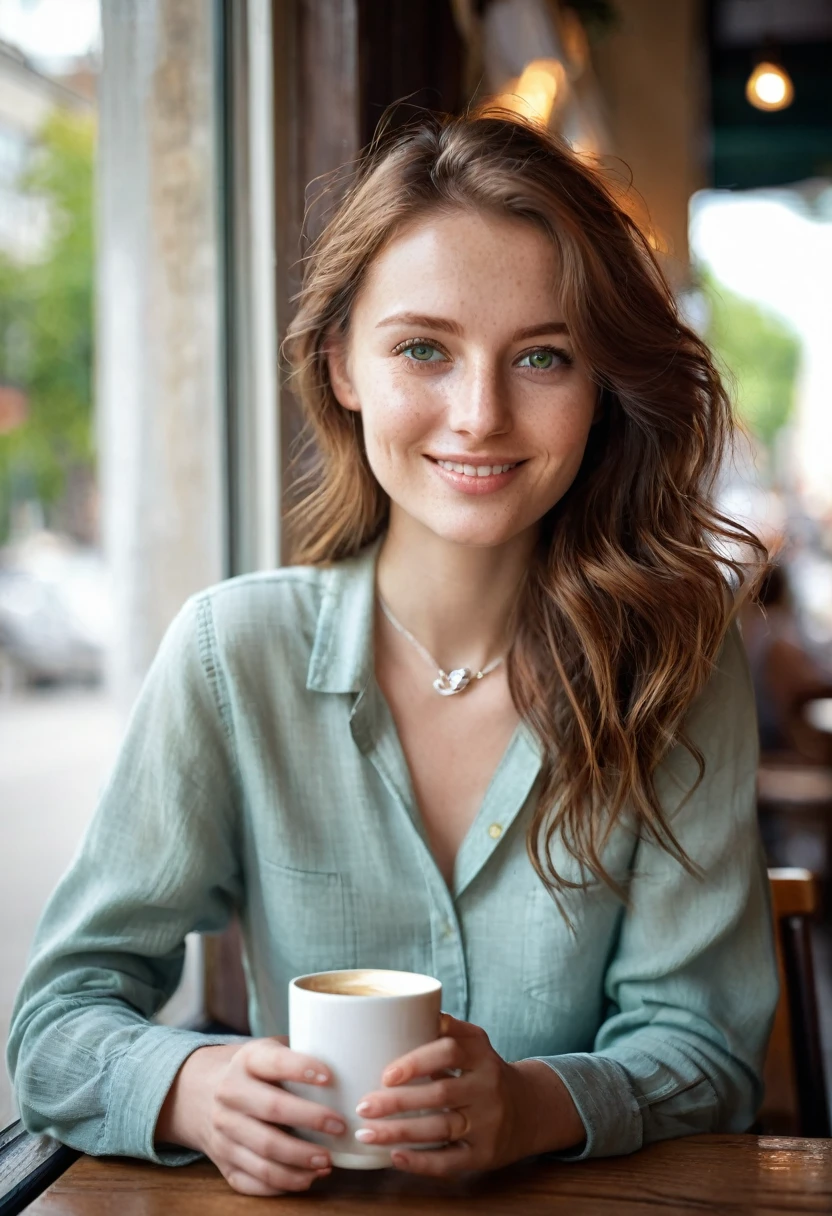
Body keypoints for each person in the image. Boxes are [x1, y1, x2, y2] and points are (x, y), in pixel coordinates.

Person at [8, 112, 778, 1198]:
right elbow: (55, 1021)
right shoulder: (235, 657)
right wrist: (189, 1084)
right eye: (424, 347)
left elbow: (704, 1051)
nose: (479, 414)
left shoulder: (672, 664)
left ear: (602, 386)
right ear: (342, 364)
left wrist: (531, 1106)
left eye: (543, 357)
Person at [741, 561, 832, 765]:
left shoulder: (750, 627)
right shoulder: (772, 631)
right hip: (772, 741)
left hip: (758, 734)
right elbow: (802, 686)